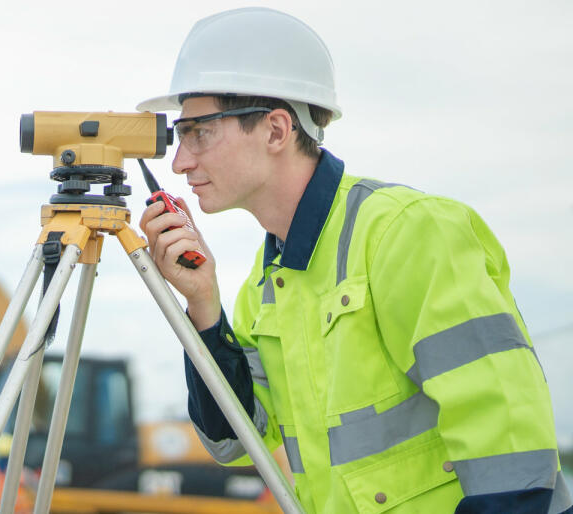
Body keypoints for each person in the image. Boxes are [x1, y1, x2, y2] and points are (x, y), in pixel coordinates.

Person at [136, 7, 570, 513]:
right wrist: (203, 305)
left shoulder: (407, 232)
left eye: (199, 132)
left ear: (276, 130)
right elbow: (235, 440)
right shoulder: (266, 282)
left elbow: (509, 442)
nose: (180, 160)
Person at [0, 435, 36, 513]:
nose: (3, 462)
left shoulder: (22, 473)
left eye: (6, 457)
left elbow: (33, 495)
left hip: (19, 511)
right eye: (1, 457)